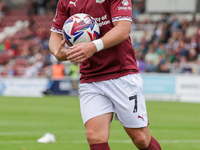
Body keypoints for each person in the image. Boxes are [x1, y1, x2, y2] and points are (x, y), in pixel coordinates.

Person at [49, 0, 162, 150]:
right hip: (91, 78)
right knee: (95, 137)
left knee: (141, 139)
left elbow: (123, 29)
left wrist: (93, 46)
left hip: (122, 73)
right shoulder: (65, 2)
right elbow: (55, 36)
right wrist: (58, 52)